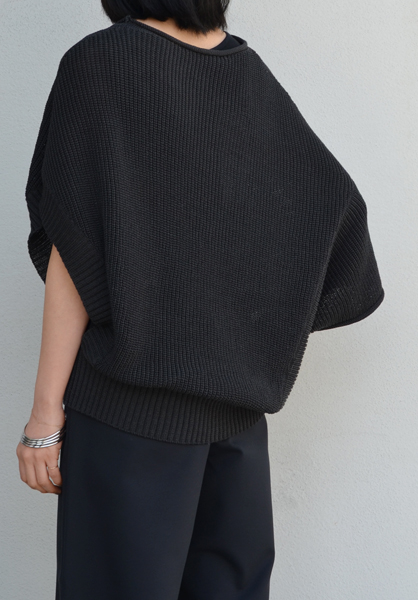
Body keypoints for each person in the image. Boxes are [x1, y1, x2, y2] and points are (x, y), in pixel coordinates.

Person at [16, 1, 385, 598]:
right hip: (239, 436)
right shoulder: (248, 72)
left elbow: (74, 248)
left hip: (128, 425)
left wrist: (44, 419)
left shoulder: (101, 62)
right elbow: (333, 216)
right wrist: (251, 328)